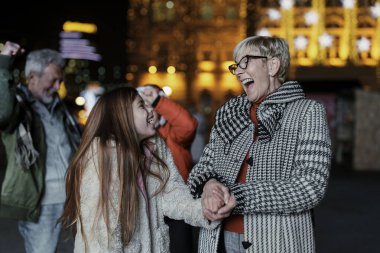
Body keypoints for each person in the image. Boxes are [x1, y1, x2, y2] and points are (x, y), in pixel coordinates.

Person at [188, 36, 332, 253]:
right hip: (219, 237)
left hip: (278, 241)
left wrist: (240, 196)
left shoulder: (307, 111)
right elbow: (204, 167)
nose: (237, 72)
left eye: (245, 62)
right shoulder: (229, 113)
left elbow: (310, 186)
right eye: (236, 65)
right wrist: (208, 186)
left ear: (273, 65)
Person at [60, 87, 235, 252]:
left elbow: (172, 195)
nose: (151, 111)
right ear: (123, 116)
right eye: (141, 106)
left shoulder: (155, 148)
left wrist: (205, 211)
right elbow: (101, 236)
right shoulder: (102, 158)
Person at [0, 41, 81, 253]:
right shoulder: (19, 108)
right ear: (32, 78)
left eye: (60, 81)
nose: (57, 87)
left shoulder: (62, 109)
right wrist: (4, 61)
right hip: (42, 203)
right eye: (53, 80)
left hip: (73, 199)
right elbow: (2, 112)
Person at [138, 84, 198, 253]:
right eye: (143, 105)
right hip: (149, 209)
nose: (148, 111)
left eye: (152, 105)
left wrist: (159, 101)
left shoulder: (173, 135)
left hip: (177, 208)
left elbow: (188, 125)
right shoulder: (136, 137)